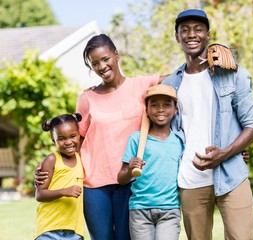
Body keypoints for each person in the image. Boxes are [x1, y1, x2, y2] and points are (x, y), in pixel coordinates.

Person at [35, 34, 167, 240]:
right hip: (94, 184)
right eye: (94, 63)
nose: (102, 66)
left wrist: (206, 61)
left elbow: (179, 77)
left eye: (106, 59)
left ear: (116, 55)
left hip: (130, 180)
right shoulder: (87, 98)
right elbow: (73, 143)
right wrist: (49, 167)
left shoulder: (141, 85)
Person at [162, 9, 253, 240]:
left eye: (198, 29)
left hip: (231, 175)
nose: (191, 34)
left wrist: (226, 153)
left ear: (208, 35)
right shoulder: (171, 84)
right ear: (177, 37)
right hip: (190, 178)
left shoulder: (232, 74)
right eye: (184, 30)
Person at [118, 84, 183, 240]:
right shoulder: (136, 139)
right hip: (140, 210)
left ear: (175, 110)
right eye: (154, 105)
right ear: (146, 110)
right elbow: (121, 178)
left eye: (167, 105)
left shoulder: (180, 141)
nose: (160, 109)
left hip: (169, 209)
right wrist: (130, 169)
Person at [34, 113, 84, 240]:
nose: (68, 142)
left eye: (72, 136)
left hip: (74, 231)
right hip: (49, 230)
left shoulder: (81, 158)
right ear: (53, 140)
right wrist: (65, 191)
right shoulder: (51, 159)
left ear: (79, 135)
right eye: (61, 138)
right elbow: (39, 195)